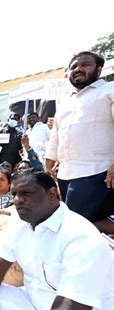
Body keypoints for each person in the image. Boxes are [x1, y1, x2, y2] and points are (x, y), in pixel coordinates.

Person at [0, 169, 114, 310]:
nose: (17, 200)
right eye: (14, 194)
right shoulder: (19, 222)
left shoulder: (80, 237)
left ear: (52, 194)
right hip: (33, 304)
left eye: (26, 193)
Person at [45, 51, 114, 222]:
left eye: (85, 65)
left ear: (98, 70)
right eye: (74, 66)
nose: (78, 69)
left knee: (74, 224)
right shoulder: (66, 100)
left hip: (97, 171)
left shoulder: (109, 90)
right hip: (65, 174)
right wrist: (48, 164)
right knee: (81, 223)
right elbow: (57, 134)